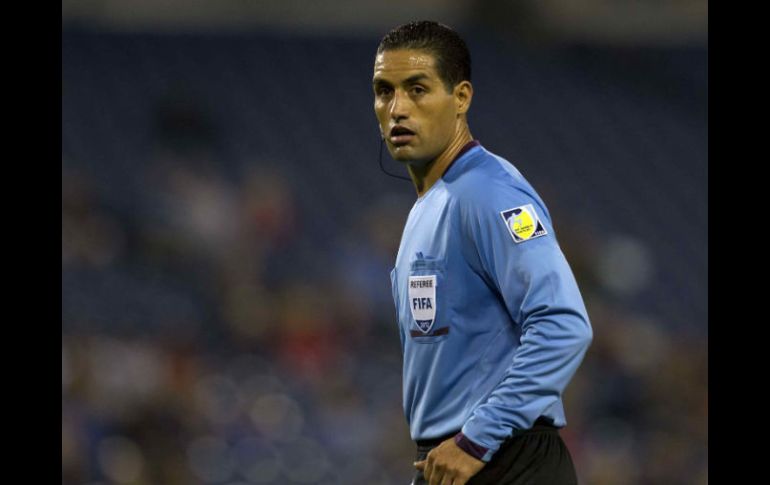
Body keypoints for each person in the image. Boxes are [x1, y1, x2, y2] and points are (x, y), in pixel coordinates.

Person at [372, 21, 593, 485]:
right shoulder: (430, 204)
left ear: (461, 97)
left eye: (417, 89)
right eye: (384, 91)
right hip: (458, 457)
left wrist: (477, 438)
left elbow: (563, 325)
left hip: (504, 456)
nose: (397, 109)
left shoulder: (489, 192)